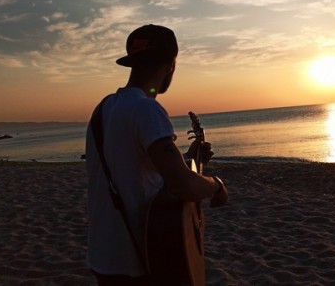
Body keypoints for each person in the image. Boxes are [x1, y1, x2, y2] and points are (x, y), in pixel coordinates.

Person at [85, 24, 228, 285]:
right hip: (138, 258)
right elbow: (182, 185)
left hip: (103, 255)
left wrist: (188, 159)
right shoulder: (147, 109)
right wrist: (216, 185)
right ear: (171, 65)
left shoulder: (102, 109)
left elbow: (131, 166)